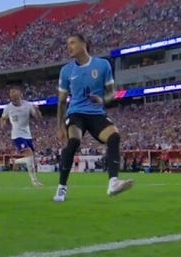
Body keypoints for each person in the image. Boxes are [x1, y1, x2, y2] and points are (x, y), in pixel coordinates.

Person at [53, 34, 133, 202]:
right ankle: (61, 187)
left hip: (96, 113)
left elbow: (112, 92)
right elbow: (61, 101)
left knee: (114, 136)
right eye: (68, 43)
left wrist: (103, 99)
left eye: (72, 42)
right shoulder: (66, 70)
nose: (69, 46)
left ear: (84, 44)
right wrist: (60, 126)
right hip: (76, 113)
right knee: (73, 141)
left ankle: (113, 182)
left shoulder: (103, 65)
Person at [0, 87, 44, 187]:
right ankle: (34, 181)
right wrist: (3, 123)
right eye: (11, 95)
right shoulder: (8, 108)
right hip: (17, 135)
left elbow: (39, 118)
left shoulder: (28, 105)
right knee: (29, 155)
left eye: (14, 94)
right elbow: (3, 118)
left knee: (31, 159)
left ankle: (14, 161)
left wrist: (37, 110)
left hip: (27, 134)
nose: (12, 97)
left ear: (20, 94)